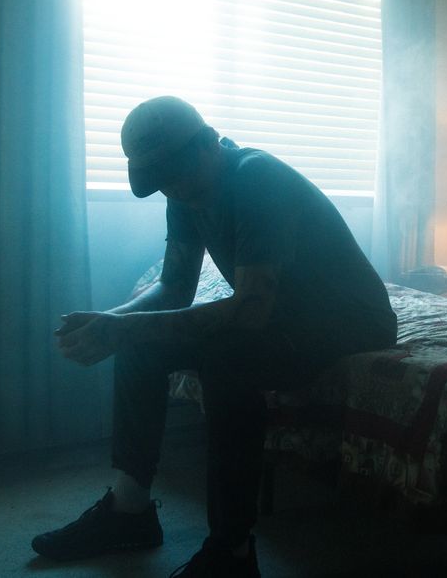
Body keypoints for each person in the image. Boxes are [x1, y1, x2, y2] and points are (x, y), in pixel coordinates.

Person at [31, 96, 397, 577]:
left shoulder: (255, 179)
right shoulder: (183, 190)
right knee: (138, 344)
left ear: (210, 145)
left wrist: (124, 326)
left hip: (348, 320)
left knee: (228, 358)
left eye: (179, 178)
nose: (176, 192)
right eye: (163, 184)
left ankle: (232, 551)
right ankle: (129, 510)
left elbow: (249, 311)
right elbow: (174, 287)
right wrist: (111, 322)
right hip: (280, 315)